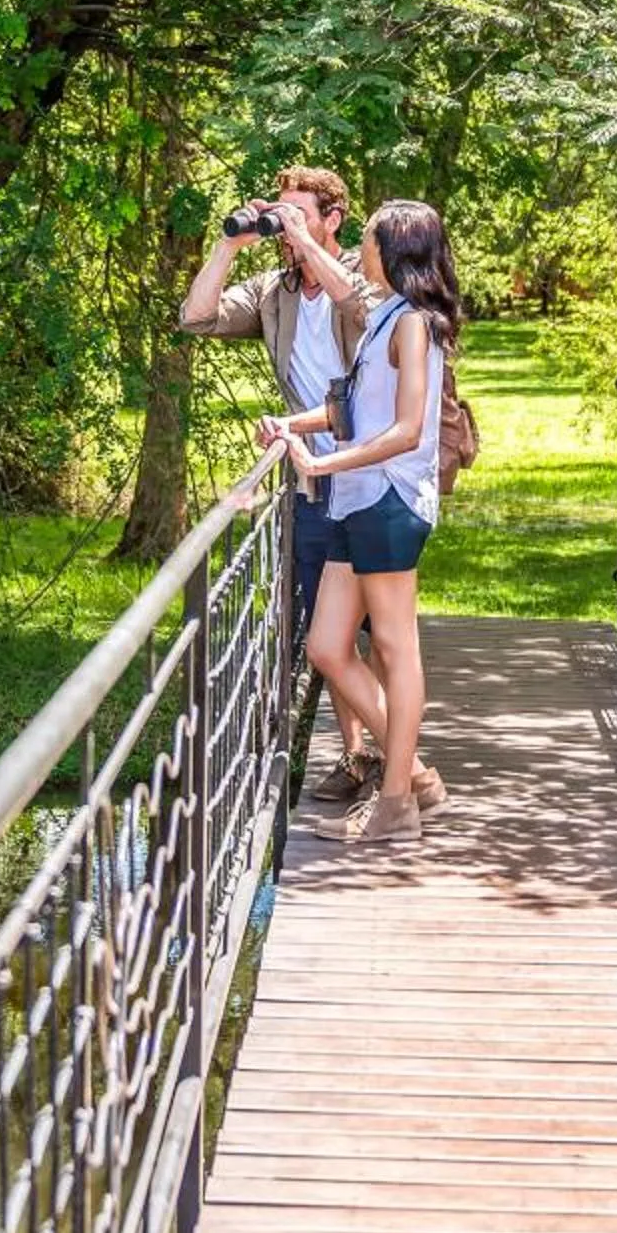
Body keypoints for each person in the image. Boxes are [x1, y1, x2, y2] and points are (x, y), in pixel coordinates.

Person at [177, 165, 385, 798]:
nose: (287, 231)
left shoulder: (364, 274)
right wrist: (230, 244)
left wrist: (311, 246)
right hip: (311, 483)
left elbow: (359, 307)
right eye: (281, 217)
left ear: (333, 219)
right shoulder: (275, 293)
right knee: (332, 629)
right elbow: (196, 317)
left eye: (300, 216)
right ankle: (358, 758)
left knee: (382, 633)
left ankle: (397, 755)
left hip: (374, 474)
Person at [264, 199, 462, 847]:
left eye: (371, 239)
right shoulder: (384, 318)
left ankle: (397, 802)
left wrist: (324, 466)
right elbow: (352, 406)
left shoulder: (415, 326)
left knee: (395, 648)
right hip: (355, 497)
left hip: (387, 501)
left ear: (394, 251)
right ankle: (417, 779)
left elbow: (406, 431)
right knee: (326, 646)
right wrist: (293, 428)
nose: (363, 248)